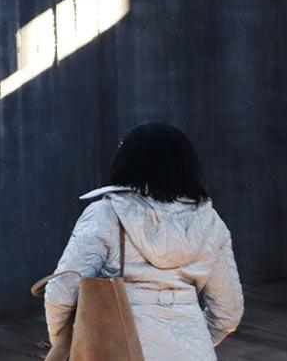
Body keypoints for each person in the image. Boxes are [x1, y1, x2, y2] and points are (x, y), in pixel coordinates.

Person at [44, 122, 244, 359]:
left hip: (117, 352)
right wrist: (192, 343)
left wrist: (68, 344)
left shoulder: (105, 214)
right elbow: (228, 312)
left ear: (126, 161)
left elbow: (60, 294)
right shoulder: (211, 223)